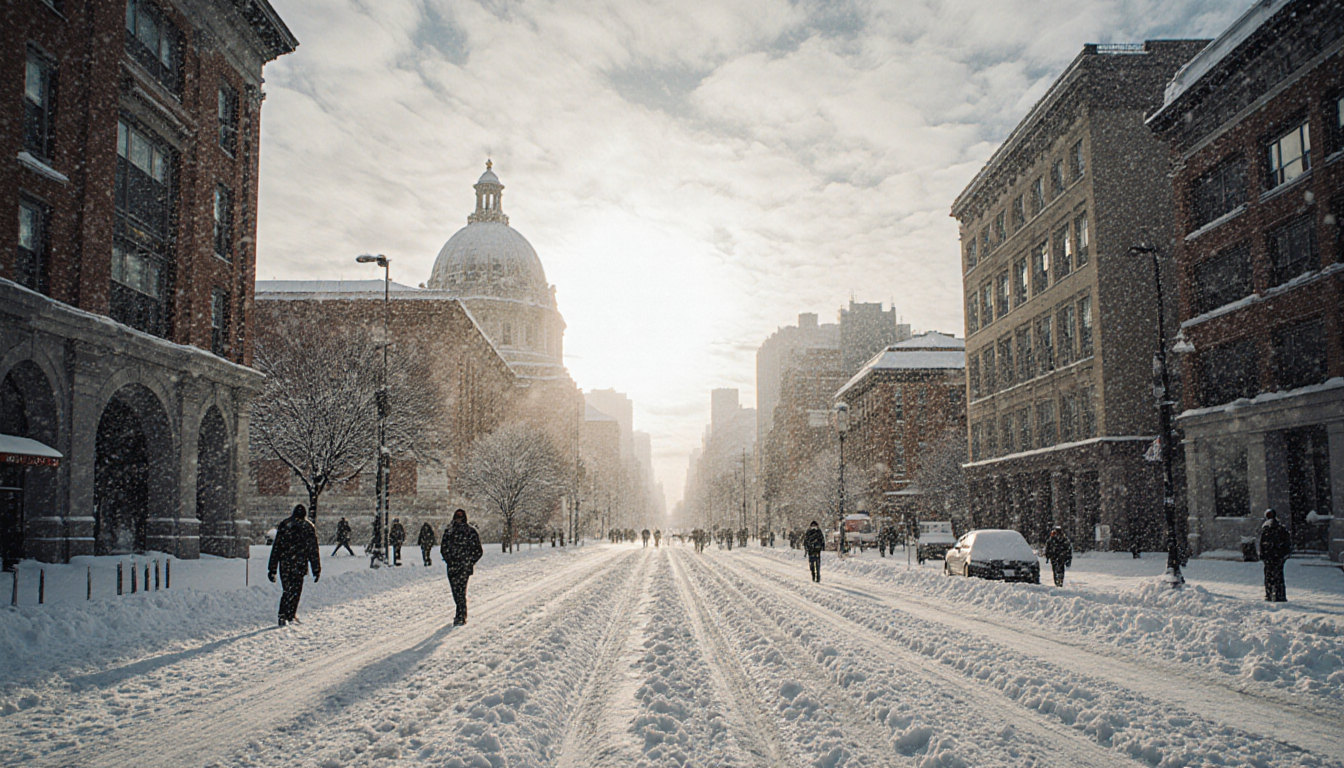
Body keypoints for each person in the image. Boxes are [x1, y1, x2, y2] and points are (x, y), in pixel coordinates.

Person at [268, 504, 321, 626]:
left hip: (285, 563)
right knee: (296, 590)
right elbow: (313, 550)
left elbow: (277, 548)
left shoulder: (285, 525)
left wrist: (272, 569)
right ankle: (291, 614)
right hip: (300, 564)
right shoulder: (308, 527)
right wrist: (316, 569)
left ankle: (283, 614)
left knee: (287, 589)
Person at [441, 509, 484, 625]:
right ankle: (460, 612)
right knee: (456, 591)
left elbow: (478, 551)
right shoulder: (450, 532)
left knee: (460, 591)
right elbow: (443, 548)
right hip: (454, 566)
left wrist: (469, 561)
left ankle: (460, 614)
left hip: (462, 567)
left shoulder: (469, 532)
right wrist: (449, 559)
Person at [1259, 509, 1291, 602]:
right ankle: (1280, 595)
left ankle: (1269, 594)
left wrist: (1263, 555)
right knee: (1279, 576)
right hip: (1278, 556)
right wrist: (1284, 554)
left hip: (1270, 556)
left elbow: (1262, 544)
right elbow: (1287, 543)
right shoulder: (1281, 528)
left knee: (1269, 576)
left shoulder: (1266, 529)